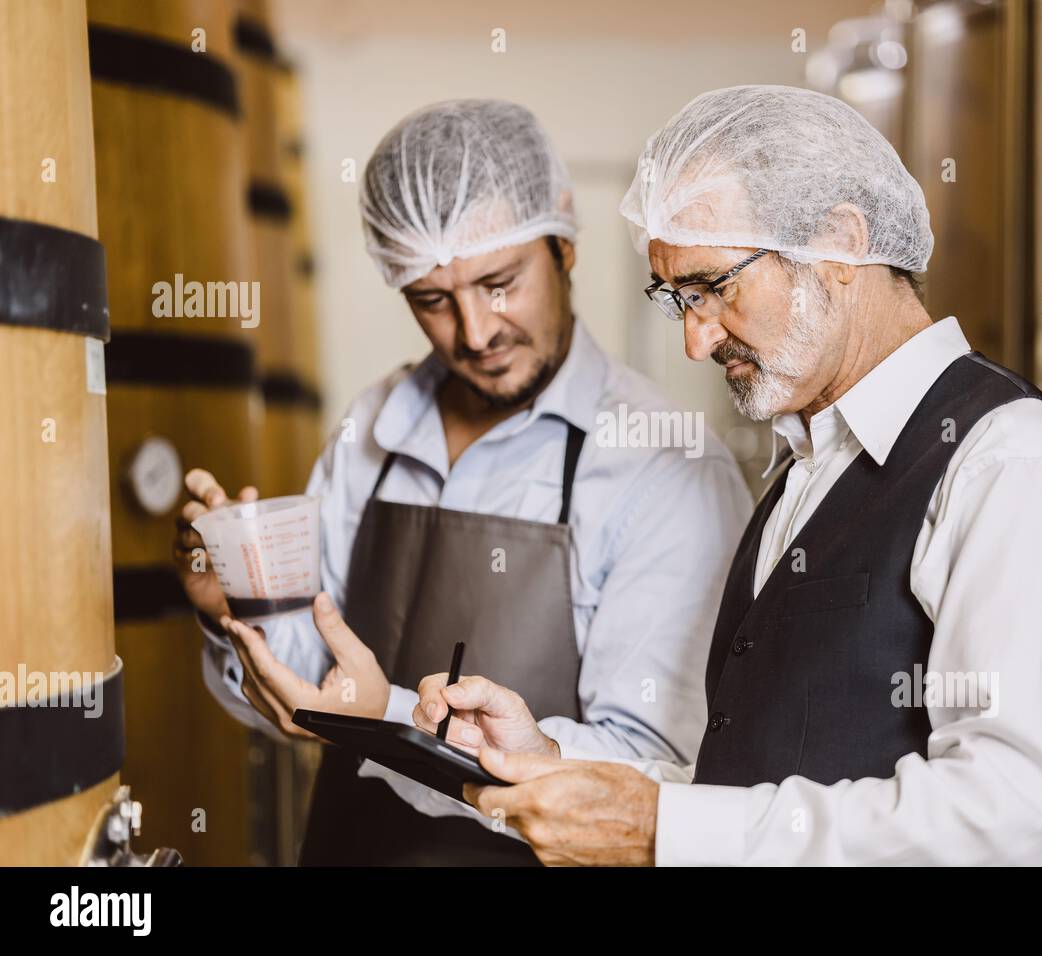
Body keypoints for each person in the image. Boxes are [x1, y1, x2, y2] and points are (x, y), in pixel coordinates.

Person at [406, 85, 1042, 865]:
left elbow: (1003, 820)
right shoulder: (810, 468)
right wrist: (552, 767)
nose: (697, 340)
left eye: (715, 288)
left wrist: (661, 831)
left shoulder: (1008, 458)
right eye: (676, 299)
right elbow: (757, 778)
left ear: (840, 242)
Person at [172, 99, 752, 865]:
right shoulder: (373, 429)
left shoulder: (665, 466)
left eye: (501, 282)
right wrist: (234, 611)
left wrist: (391, 716)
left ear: (564, 243)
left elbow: (647, 776)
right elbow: (316, 691)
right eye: (433, 300)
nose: (476, 333)